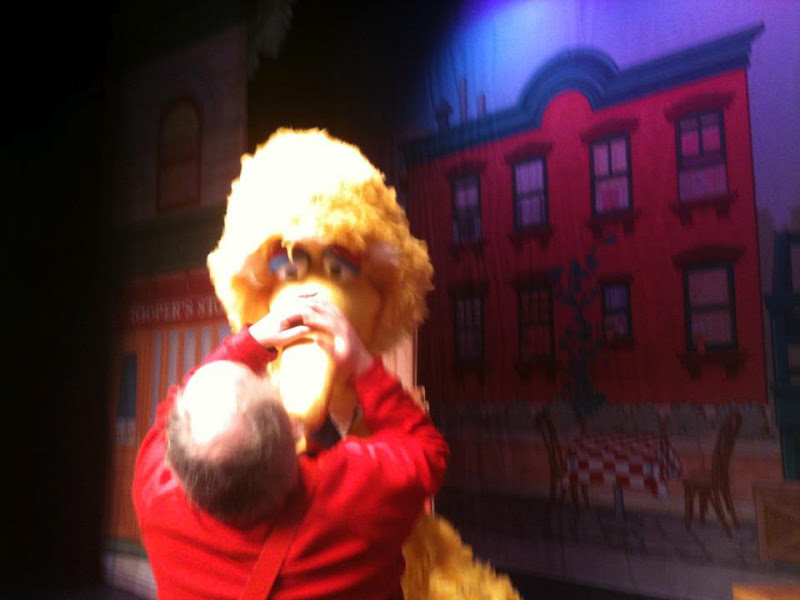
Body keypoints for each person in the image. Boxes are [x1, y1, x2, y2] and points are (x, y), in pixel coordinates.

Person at [132, 298, 449, 599]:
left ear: (176, 458)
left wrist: (251, 340)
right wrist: (362, 365)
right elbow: (425, 448)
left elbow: (172, 409)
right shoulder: (353, 499)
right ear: (291, 433)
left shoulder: (154, 493)